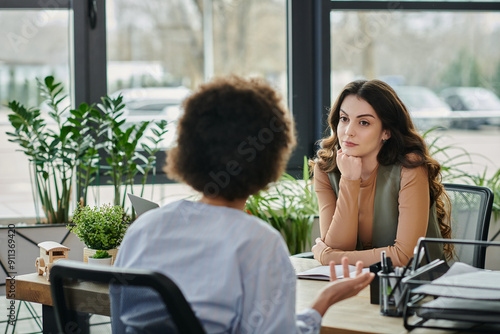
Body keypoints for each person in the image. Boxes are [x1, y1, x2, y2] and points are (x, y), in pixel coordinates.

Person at [110, 76, 374, 333]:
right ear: (272, 158)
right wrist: (324, 301)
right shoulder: (258, 242)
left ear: (188, 147)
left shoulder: (143, 229)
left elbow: (121, 323)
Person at [311, 79, 452, 268]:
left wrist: (329, 258)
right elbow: (338, 247)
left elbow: (405, 257)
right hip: (359, 284)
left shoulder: (410, 168)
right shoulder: (326, 169)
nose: (348, 132)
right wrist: (350, 180)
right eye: (344, 119)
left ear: (386, 132)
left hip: (417, 288)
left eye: (363, 122)